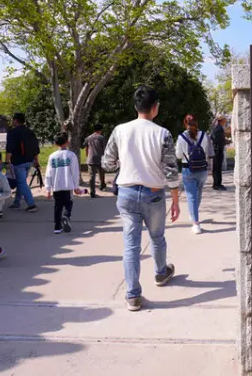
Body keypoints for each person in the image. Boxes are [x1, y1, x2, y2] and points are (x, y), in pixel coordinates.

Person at [102, 86, 180, 312]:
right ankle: (160, 272)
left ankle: (133, 295)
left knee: (131, 246)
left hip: (126, 193)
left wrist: (124, 164)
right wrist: (175, 199)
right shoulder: (162, 133)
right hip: (154, 193)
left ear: (136, 106)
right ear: (155, 107)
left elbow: (107, 163)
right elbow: (170, 171)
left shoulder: (119, 130)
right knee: (157, 237)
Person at [176, 114, 214, 234]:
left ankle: (196, 224)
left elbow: (178, 156)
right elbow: (208, 152)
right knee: (198, 193)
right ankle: (194, 214)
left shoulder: (181, 137)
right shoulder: (204, 135)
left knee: (191, 196)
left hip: (188, 169)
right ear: (196, 122)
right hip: (202, 169)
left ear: (185, 123)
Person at [45, 132, 82, 234]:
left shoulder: (52, 156)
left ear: (56, 144)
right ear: (67, 142)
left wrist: (48, 188)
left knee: (57, 207)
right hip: (68, 186)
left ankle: (57, 227)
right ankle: (66, 216)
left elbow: (48, 172)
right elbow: (74, 172)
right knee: (69, 203)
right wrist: (76, 186)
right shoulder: (71, 155)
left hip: (56, 186)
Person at [5, 113, 40, 213]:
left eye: (13, 120)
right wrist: (36, 160)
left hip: (18, 161)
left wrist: (7, 161)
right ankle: (16, 203)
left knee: (22, 183)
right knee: (22, 183)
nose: (12, 122)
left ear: (16, 120)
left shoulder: (12, 132)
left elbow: (9, 148)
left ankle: (31, 204)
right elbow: (35, 147)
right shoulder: (30, 131)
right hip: (29, 160)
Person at [84, 124, 108, 197]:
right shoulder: (102, 138)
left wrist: (87, 156)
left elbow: (86, 148)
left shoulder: (88, 138)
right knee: (101, 174)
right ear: (100, 130)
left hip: (91, 159)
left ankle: (92, 191)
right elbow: (105, 149)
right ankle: (102, 186)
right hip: (100, 158)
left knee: (92, 176)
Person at [210, 115, 228, 191]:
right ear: (222, 120)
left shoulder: (216, 128)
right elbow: (217, 140)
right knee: (217, 168)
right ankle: (217, 185)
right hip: (218, 150)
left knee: (217, 168)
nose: (226, 120)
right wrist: (225, 141)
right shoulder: (219, 128)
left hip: (216, 150)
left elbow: (211, 137)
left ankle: (217, 184)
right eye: (225, 119)